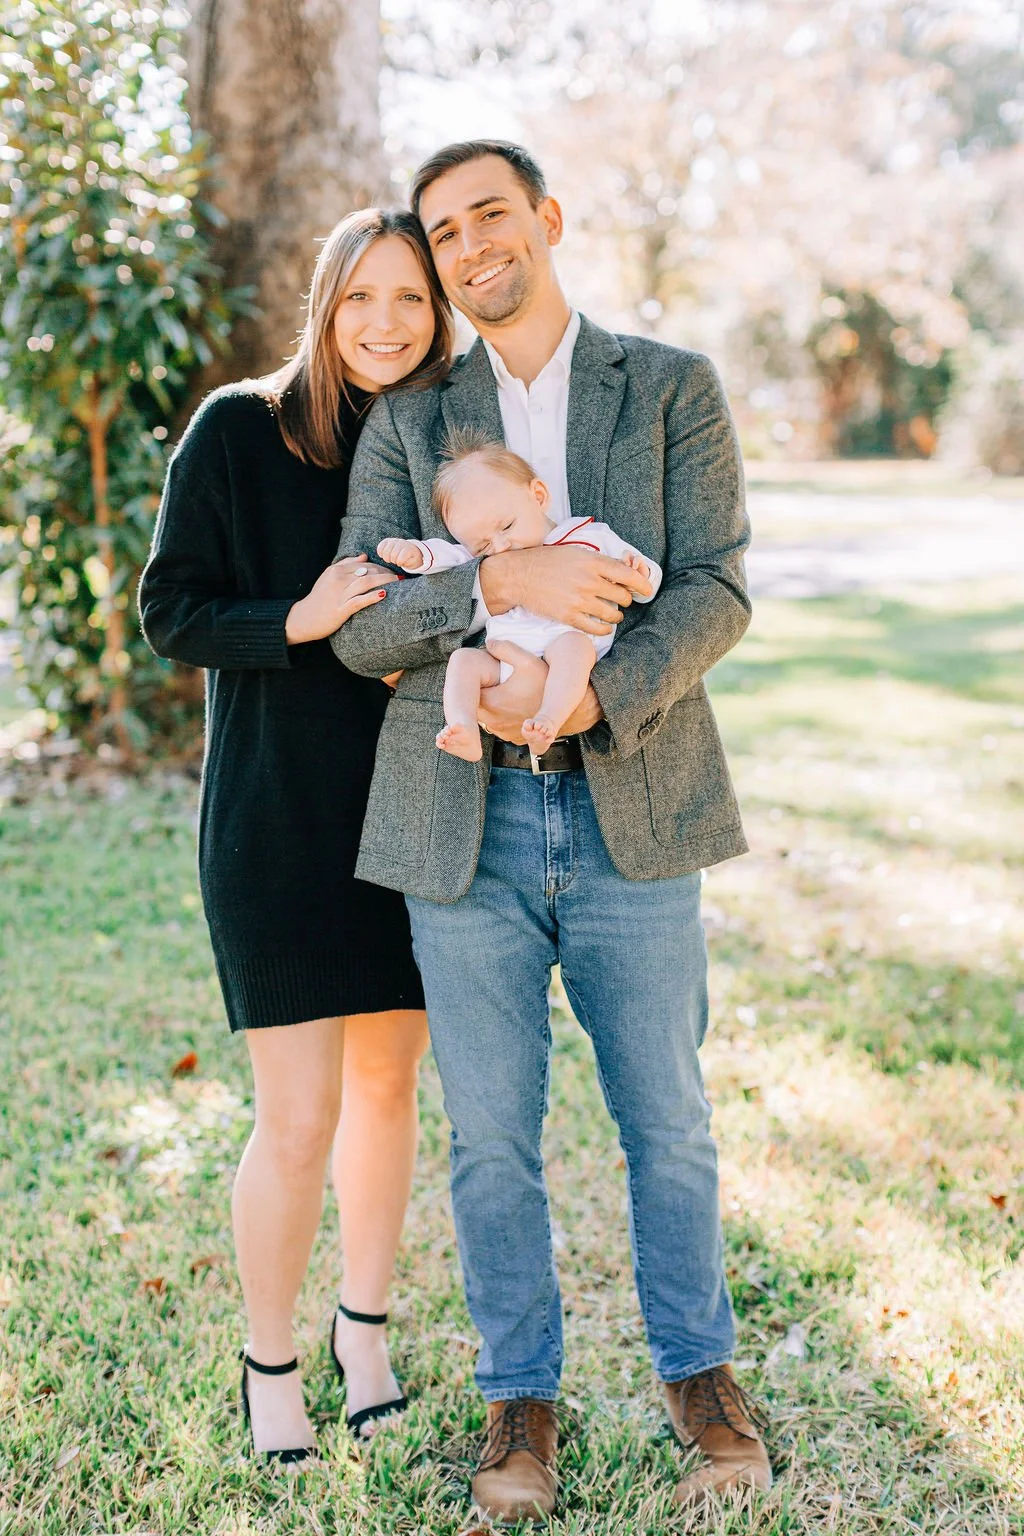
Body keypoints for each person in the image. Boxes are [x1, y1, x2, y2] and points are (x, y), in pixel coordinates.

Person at [330, 142, 771, 1521]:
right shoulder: (413, 416)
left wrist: (594, 707)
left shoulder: (672, 386)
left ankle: (699, 1375)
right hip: (464, 821)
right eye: (446, 231)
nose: (469, 249)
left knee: (671, 1123)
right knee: (492, 1140)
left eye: (492, 217)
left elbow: (713, 592)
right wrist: (499, 580)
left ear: (548, 220)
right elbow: (362, 627)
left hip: (637, 798)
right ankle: (520, 1399)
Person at [139, 208, 454, 1462]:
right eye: (361, 297)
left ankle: (361, 1328)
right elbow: (172, 611)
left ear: (438, 317)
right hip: (275, 819)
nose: (384, 323)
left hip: (414, 812)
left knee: (389, 1089)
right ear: (324, 303)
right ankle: (271, 1360)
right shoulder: (235, 428)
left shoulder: (442, 441)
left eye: (412, 302)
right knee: (299, 1113)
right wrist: (303, 618)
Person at [377, 428, 662, 762]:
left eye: (507, 527)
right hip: (504, 657)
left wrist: (640, 572)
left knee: (576, 649)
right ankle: (462, 725)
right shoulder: (485, 555)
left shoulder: (589, 537)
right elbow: (449, 558)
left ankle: (549, 719)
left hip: (566, 644)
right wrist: (417, 554)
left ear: (538, 496)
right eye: (482, 544)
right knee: (464, 662)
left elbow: (645, 586)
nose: (499, 547)